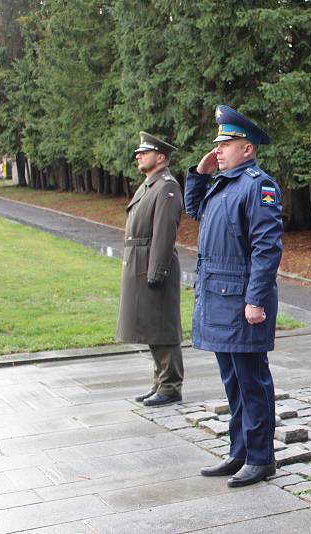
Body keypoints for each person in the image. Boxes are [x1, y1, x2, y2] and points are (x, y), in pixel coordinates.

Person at [185, 105, 283, 488]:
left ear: (248, 148)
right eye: (218, 143)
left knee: (252, 382)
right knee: (233, 382)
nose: (219, 149)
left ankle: (261, 458)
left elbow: (267, 248)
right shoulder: (223, 183)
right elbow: (194, 209)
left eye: (227, 143)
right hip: (218, 298)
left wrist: (256, 300)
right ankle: (240, 451)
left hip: (242, 302)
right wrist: (199, 173)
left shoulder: (258, 185)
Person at [116, 132, 184, 407]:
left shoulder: (167, 186)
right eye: (138, 152)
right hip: (141, 261)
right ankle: (160, 381)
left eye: (145, 152)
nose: (138, 155)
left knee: (162, 325)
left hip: (153, 263)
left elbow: (164, 234)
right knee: (149, 325)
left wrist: (156, 271)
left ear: (161, 157)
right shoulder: (150, 184)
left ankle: (170, 386)